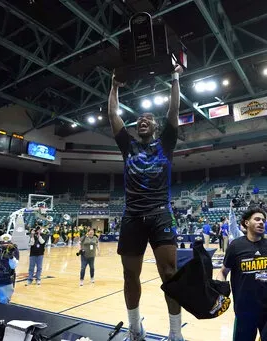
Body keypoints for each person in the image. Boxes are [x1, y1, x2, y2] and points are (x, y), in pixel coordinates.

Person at [108, 64, 184, 341]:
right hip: (132, 217)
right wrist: (114, 86)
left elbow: (173, 112)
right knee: (130, 276)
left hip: (160, 214)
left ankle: (175, 333)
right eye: (139, 119)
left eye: (148, 119)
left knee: (169, 273)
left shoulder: (166, 143)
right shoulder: (128, 146)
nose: (142, 120)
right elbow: (113, 114)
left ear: (155, 126)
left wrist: (174, 77)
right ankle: (134, 328)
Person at [217, 207, 267, 341]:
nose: (261, 222)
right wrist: (221, 290)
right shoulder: (235, 246)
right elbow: (222, 272)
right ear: (246, 223)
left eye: (263, 220)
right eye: (257, 219)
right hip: (244, 310)